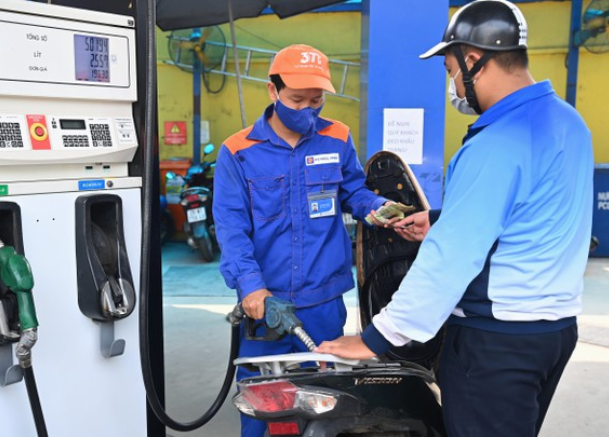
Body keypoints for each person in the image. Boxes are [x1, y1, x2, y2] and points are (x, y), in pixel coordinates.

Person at [316, 0, 594, 436]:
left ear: (473, 60)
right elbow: (539, 209)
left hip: (496, 342)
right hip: (553, 332)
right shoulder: (568, 122)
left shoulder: (496, 142)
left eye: (450, 71)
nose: (454, 87)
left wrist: (376, 338)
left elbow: (450, 259)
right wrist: (442, 218)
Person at [212, 43, 391, 437]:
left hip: (324, 303)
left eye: (317, 100)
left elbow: (354, 192)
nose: (308, 109)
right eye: (297, 100)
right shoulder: (238, 151)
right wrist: (250, 286)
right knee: (264, 404)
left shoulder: (337, 137)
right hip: (267, 305)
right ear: (272, 90)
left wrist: (379, 208)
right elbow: (230, 226)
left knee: (327, 404)